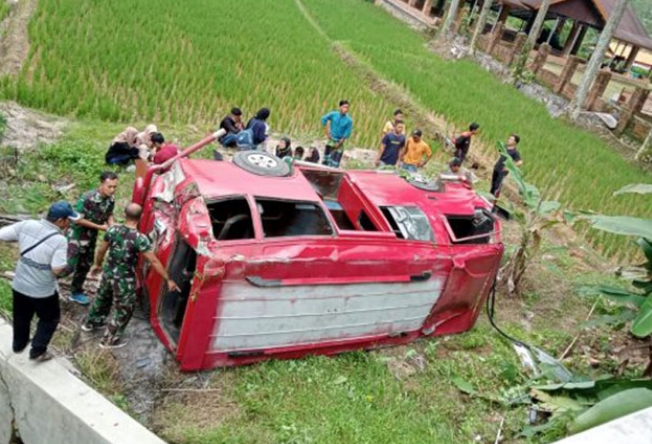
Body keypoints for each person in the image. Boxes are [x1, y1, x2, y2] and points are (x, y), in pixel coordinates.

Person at [83, 203, 179, 349]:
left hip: (108, 273)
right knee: (124, 308)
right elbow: (153, 260)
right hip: (124, 279)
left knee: (102, 297)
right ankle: (108, 340)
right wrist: (168, 279)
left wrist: (97, 265)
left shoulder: (113, 229)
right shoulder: (140, 238)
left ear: (124, 214)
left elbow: (101, 250)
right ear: (140, 217)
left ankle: (91, 323)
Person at [0, 201, 80, 362]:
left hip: (20, 284)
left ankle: (18, 344)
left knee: (21, 316)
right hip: (42, 290)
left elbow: (2, 234)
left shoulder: (27, 224)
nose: (69, 223)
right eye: (68, 220)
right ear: (60, 221)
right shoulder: (59, 240)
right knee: (49, 319)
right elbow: (57, 269)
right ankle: (37, 351)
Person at [67, 172, 117, 305]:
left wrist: (111, 225)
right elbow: (78, 220)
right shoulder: (87, 198)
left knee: (85, 264)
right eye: (109, 186)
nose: (112, 190)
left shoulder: (110, 198)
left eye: (114, 187)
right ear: (102, 184)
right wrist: (100, 227)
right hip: (77, 236)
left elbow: (109, 213)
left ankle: (75, 292)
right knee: (68, 265)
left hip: (91, 236)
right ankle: (46, 283)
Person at [321, 100, 353, 168]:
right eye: (344, 107)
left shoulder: (349, 120)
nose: (346, 109)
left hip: (339, 142)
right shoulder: (333, 114)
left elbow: (346, 134)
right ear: (340, 107)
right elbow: (324, 119)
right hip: (331, 141)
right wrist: (327, 132)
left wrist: (339, 144)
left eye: (347, 108)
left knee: (335, 163)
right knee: (326, 161)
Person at [490, 134, 522, 198]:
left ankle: (494, 200)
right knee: (493, 184)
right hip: (497, 167)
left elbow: (520, 162)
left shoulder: (515, 152)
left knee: (497, 186)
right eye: (509, 138)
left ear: (515, 142)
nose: (508, 140)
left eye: (511, 139)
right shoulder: (504, 147)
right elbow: (499, 153)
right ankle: (489, 197)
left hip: (503, 170)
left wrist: (509, 168)